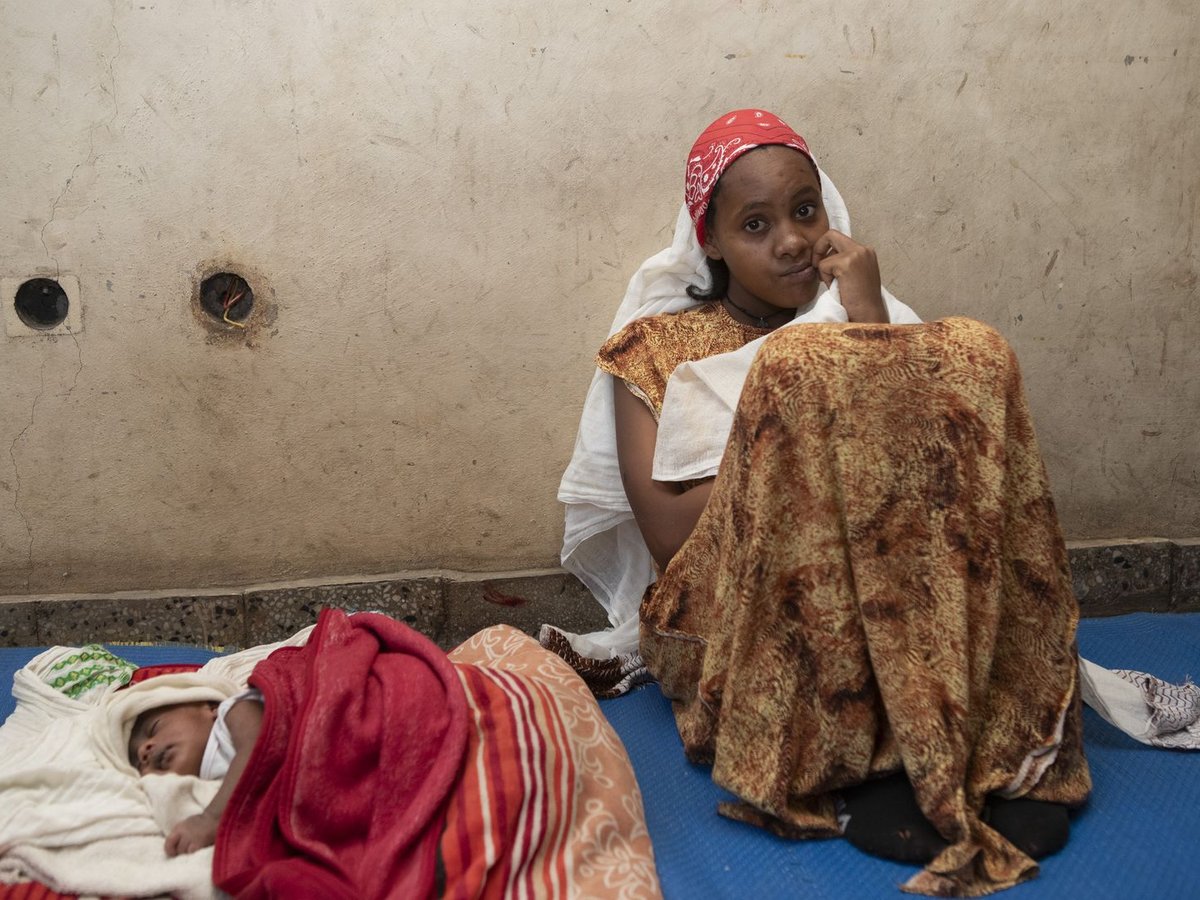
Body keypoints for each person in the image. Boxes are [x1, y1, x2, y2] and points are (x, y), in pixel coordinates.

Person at [553, 109, 1091, 896]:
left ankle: (993, 749)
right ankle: (850, 766)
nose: (791, 242)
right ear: (710, 241)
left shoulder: (864, 314)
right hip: (723, 605)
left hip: (881, 577)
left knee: (974, 351)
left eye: (805, 212)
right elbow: (670, 538)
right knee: (799, 370)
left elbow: (932, 488)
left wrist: (867, 325)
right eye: (756, 225)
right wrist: (797, 443)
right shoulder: (652, 350)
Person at [127, 689, 263, 856]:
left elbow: (260, 748)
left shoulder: (235, 710)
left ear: (211, 708)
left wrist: (211, 818)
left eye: (154, 728)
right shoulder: (202, 790)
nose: (143, 751)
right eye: (138, 764)